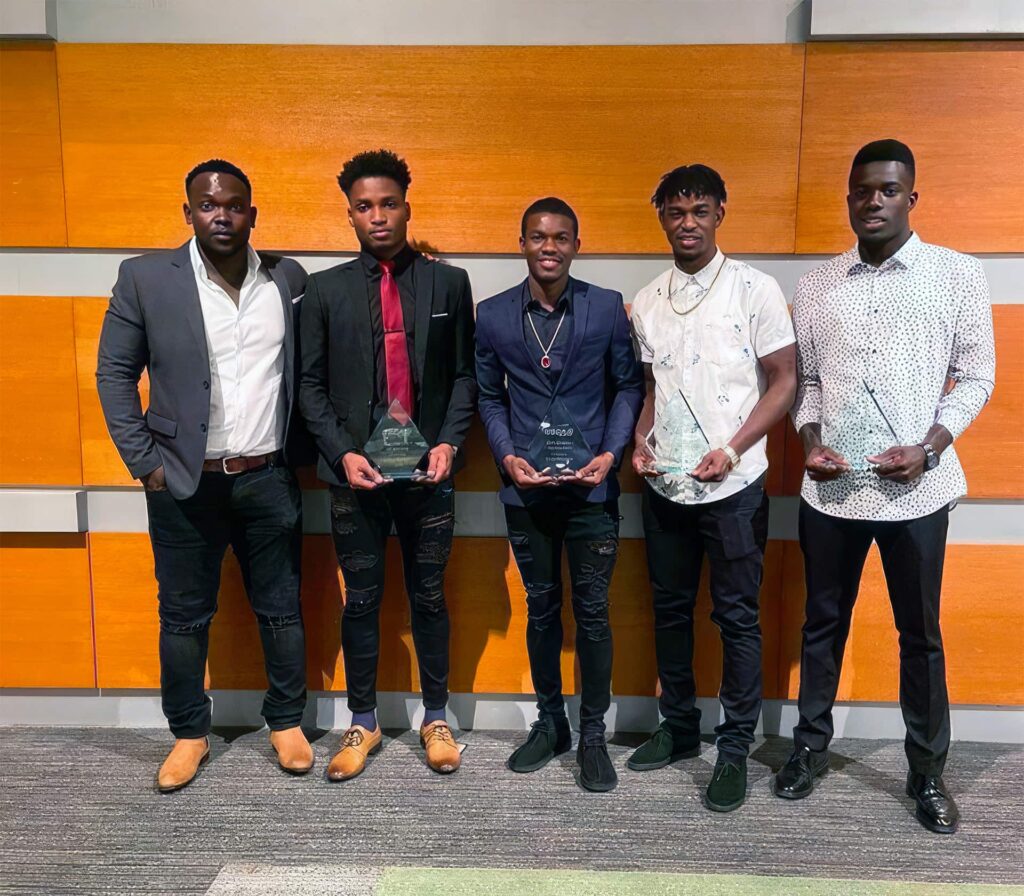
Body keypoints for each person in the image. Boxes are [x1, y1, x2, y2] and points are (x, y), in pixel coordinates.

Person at [773, 139, 995, 834]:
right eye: (863, 190)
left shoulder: (956, 275)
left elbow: (977, 376)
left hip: (917, 493)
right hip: (832, 493)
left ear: (911, 198)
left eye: (889, 190)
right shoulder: (816, 285)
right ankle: (809, 750)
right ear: (849, 198)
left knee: (920, 634)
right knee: (821, 624)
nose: (874, 201)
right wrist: (810, 444)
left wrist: (930, 448)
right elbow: (806, 384)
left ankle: (926, 774)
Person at [97, 159, 313, 792]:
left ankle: (286, 723)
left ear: (253, 211)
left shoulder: (288, 279)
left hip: (267, 475)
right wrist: (147, 465)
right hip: (183, 481)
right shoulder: (144, 279)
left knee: (281, 608)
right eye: (209, 204)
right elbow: (115, 375)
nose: (223, 214)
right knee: (185, 616)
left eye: (236, 204)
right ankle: (189, 734)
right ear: (187, 211)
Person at [299, 149, 476, 780]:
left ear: (407, 205)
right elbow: (309, 387)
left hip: (429, 476)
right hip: (357, 479)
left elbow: (464, 375)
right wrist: (341, 453)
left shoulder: (447, 284)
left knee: (429, 595)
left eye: (389, 203)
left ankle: (435, 716)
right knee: (362, 600)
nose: (378, 215)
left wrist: (451, 441)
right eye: (364, 206)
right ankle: (365, 720)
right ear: (349, 213)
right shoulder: (322, 291)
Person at [628, 164, 797, 812]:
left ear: (721, 212)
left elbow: (784, 379)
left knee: (736, 618)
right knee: (670, 612)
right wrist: (642, 440)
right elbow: (652, 389)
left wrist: (733, 448)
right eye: (675, 211)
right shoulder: (647, 300)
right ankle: (678, 728)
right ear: (662, 217)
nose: (688, 222)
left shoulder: (755, 289)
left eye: (700, 210)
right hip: (667, 485)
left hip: (737, 485)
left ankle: (733, 750)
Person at [476, 198, 643, 792]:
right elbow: (489, 397)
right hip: (527, 493)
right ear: (520, 243)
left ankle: (592, 734)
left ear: (577, 244)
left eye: (561, 238)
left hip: (592, 493)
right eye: (538, 237)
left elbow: (628, 385)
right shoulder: (493, 315)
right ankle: (551, 725)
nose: (549, 247)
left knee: (593, 616)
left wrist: (610, 452)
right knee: (542, 609)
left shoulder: (605, 310)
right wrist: (505, 455)